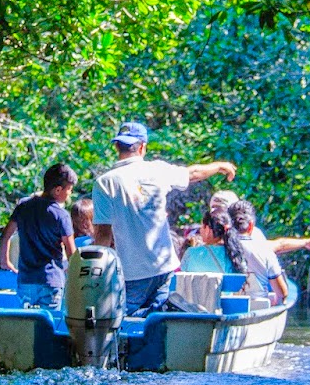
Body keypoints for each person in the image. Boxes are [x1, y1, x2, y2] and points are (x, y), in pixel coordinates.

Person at [92, 121, 236, 314]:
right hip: (164, 266)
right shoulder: (157, 170)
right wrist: (219, 166)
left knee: (123, 321)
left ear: (117, 146)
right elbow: (193, 173)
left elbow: (103, 234)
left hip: (131, 271)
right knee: (159, 318)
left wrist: (97, 275)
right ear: (143, 147)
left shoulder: (104, 183)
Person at [0, 164, 77, 308]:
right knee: (48, 324)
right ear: (58, 190)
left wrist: (5, 262)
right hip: (51, 280)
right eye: (69, 190)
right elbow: (72, 253)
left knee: (27, 324)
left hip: (26, 280)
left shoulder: (23, 206)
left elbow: (5, 236)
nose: (70, 194)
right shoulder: (62, 215)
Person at [187, 189, 310, 256]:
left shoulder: (250, 236)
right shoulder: (200, 237)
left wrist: (305, 242)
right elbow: (278, 245)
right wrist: (305, 242)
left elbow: (278, 245)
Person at [228, 199, 290, 304]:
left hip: (225, 306)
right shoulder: (265, 250)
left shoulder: (220, 248)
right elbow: (282, 293)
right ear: (251, 226)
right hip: (257, 305)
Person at [179, 207, 248, 276]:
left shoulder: (192, 253)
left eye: (202, 226)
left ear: (208, 230)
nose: (200, 230)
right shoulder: (236, 254)